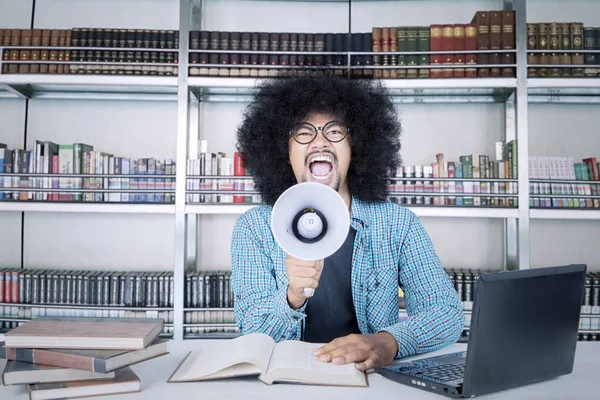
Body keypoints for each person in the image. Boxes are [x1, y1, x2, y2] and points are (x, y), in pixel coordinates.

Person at [230, 72, 464, 372]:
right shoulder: (254, 229)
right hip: (287, 383)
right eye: (304, 132)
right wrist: (292, 297)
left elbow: (446, 313)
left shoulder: (397, 224)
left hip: (374, 382)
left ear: (356, 146)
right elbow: (252, 333)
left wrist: (388, 341)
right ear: (283, 151)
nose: (320, 141)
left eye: (334, 130)